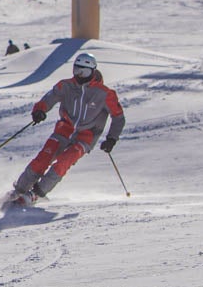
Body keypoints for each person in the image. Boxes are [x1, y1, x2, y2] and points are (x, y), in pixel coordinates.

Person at [8, 52, 124, 206]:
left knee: (64, 161)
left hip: (86, 136)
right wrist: (40, 110)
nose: (80, 75)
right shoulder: (66, 86)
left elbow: (118, 118)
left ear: (93, 71)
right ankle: (19, 190)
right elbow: (49, 98)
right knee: (43, 158)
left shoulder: (105, 94)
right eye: (77, 70)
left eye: (84, 71)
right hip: (64, 130)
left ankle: (37, 193)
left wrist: (111, 139)